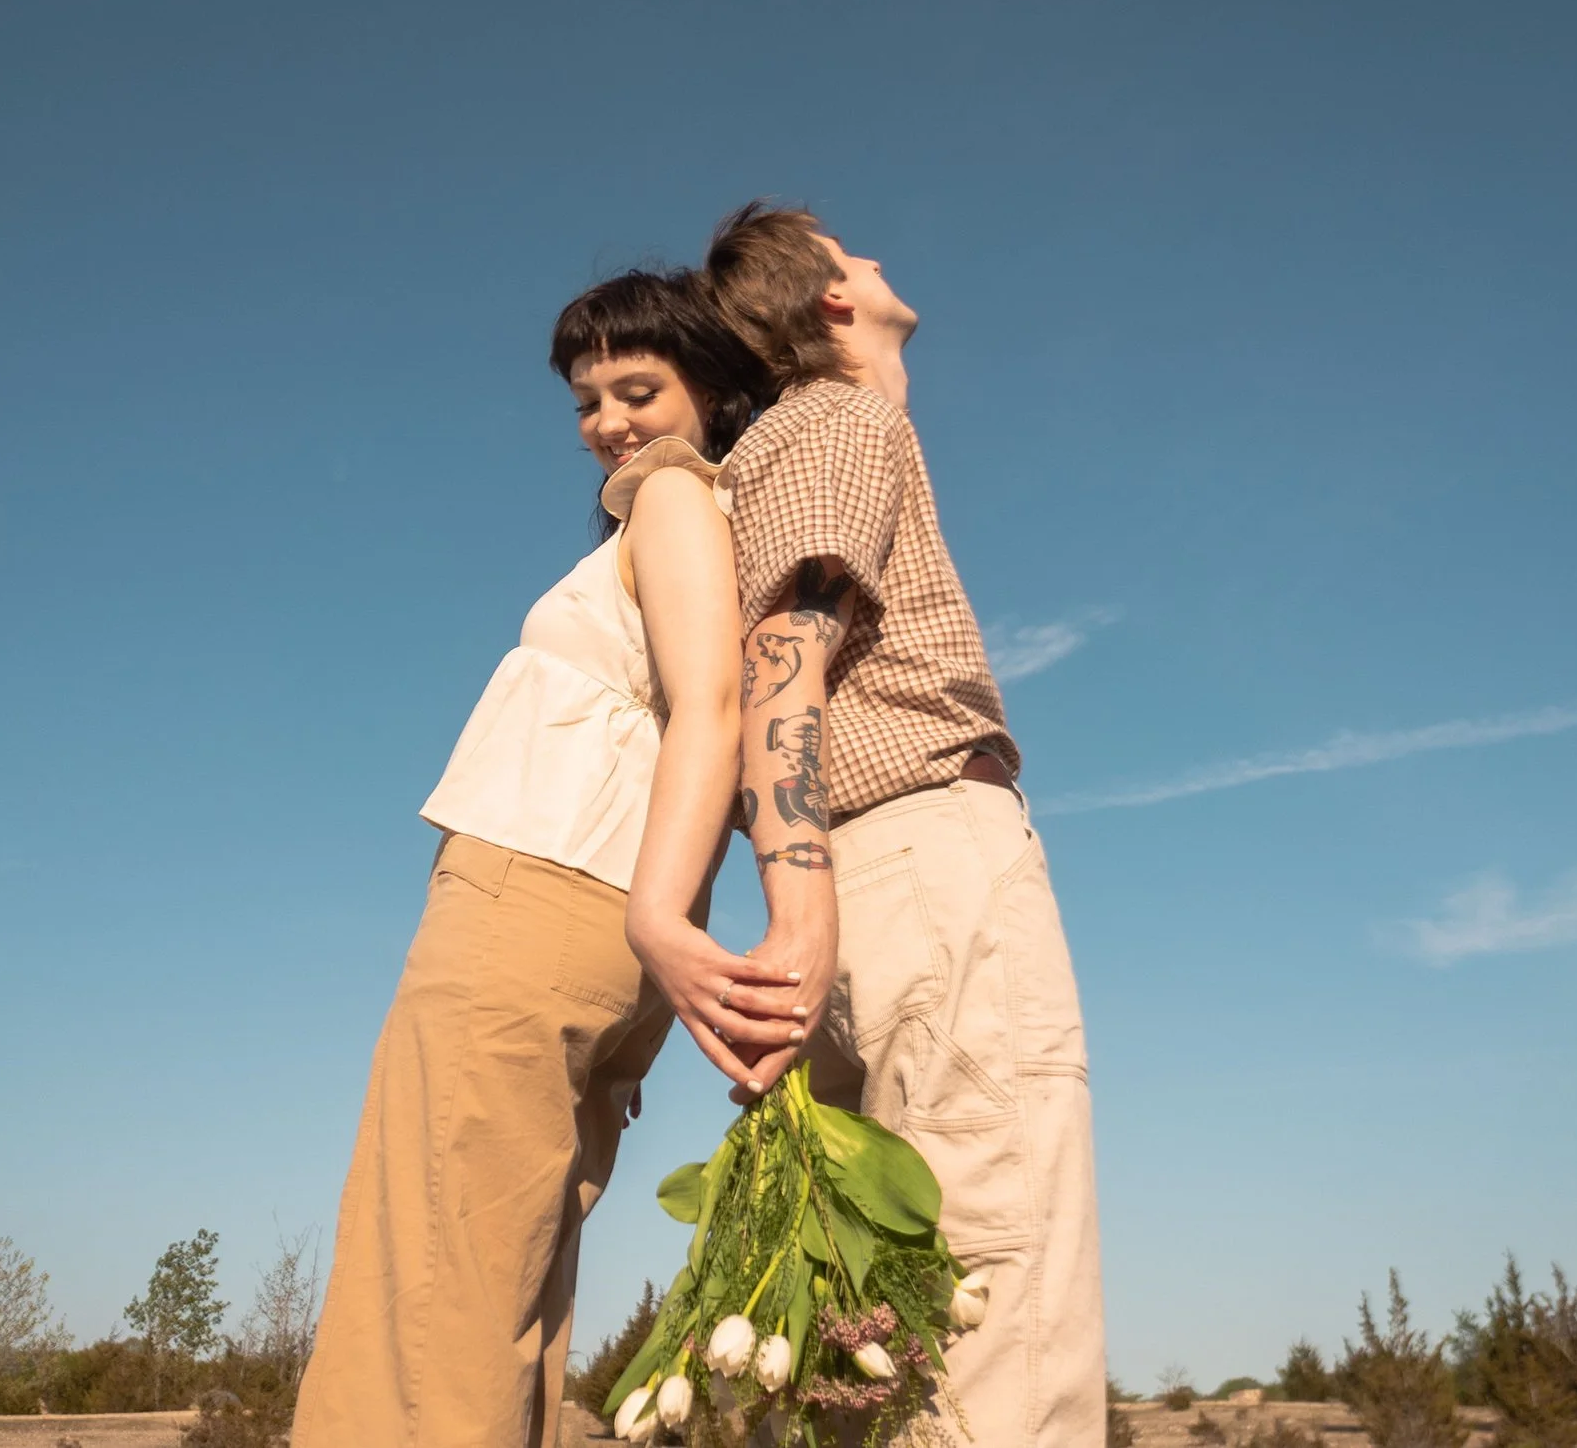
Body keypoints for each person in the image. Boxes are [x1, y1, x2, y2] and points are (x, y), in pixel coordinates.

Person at [290, 268, 802, 1448]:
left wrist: (658, 914)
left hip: (539, 893)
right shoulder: (712, 522)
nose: (610, 422)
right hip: (600, 913)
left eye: (640, 387)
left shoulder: (675, 496)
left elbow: (708, 706)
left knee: (428, 1268)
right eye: (588, 400)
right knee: (504, 1277)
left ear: (713, 391)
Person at [690, 202, 1107, 1444]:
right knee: (997, 1268)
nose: (877, 259)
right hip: (913, 853)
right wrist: (803, 899)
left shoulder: (775, 451)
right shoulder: (840, 418)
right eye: (851, 248)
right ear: (829, 301)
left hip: (847, 873)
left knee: (856, 1332)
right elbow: (782, 655)